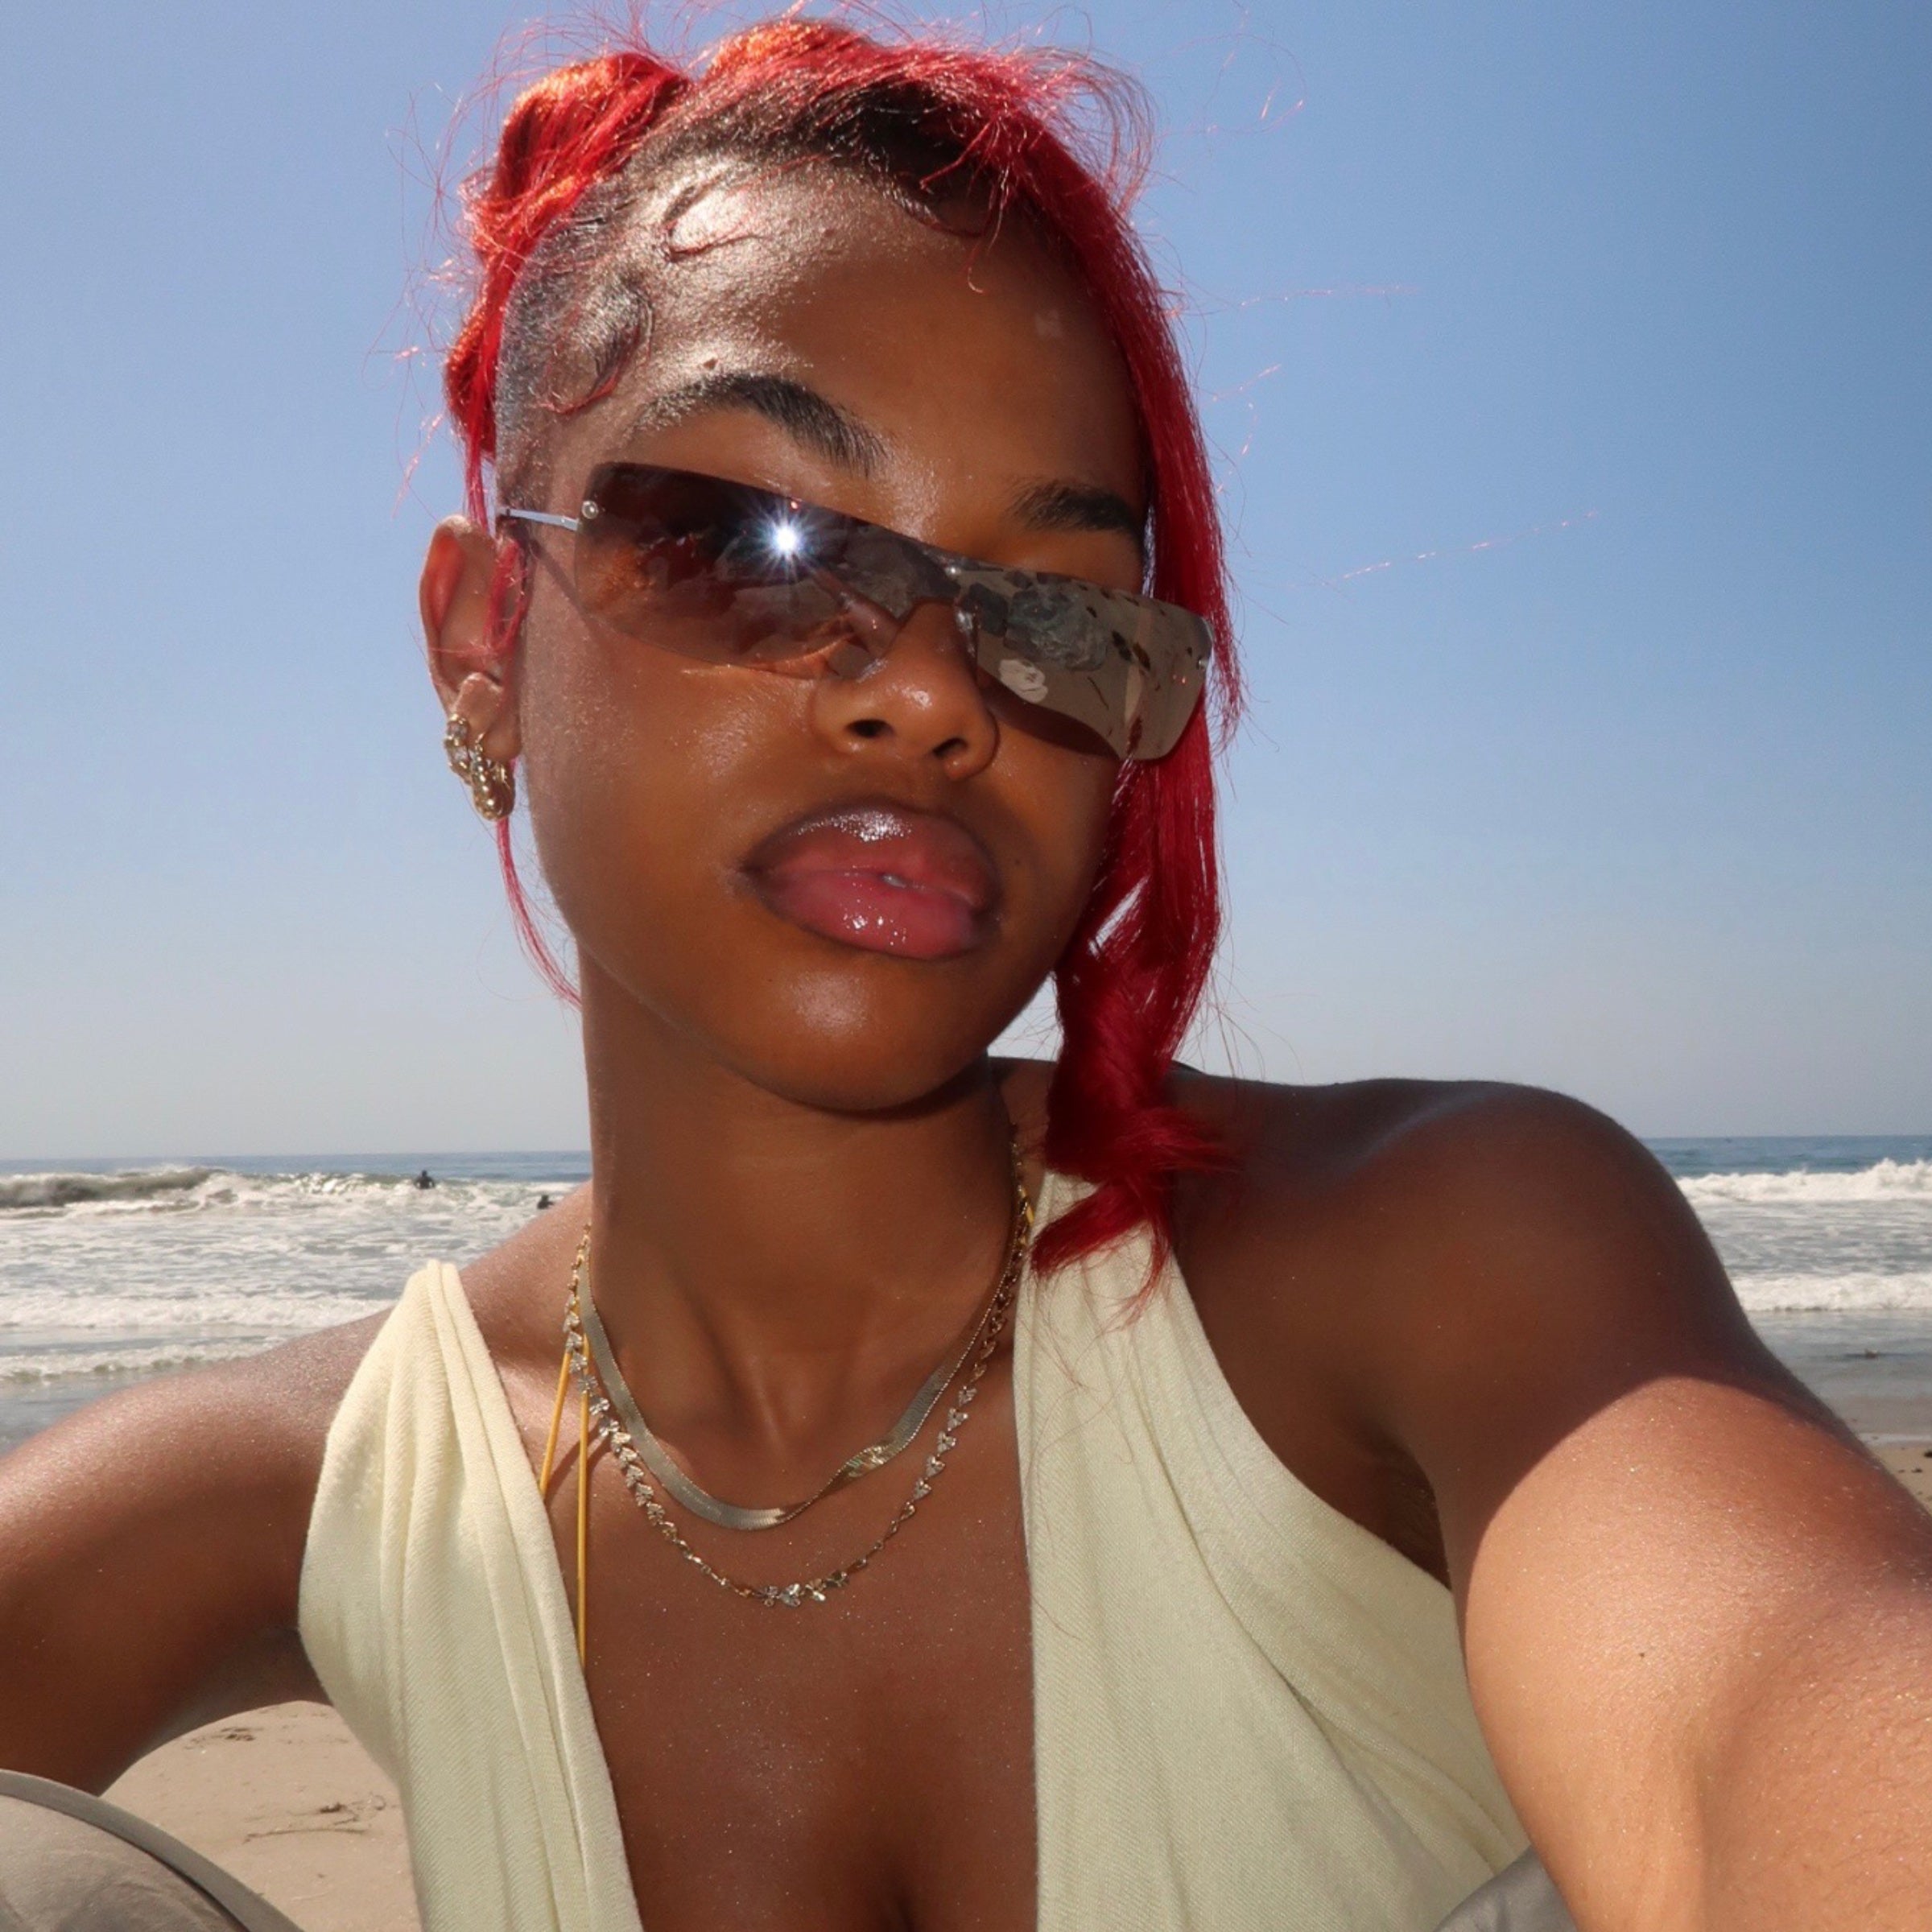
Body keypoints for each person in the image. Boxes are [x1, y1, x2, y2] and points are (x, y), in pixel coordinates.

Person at [3, 19, 1930, 1932]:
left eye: (1055, 612)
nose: (932, 692)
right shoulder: (305, 1489)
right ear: (483, 637)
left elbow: (1780, 1710)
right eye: (746, 540)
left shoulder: (1440, 1263)